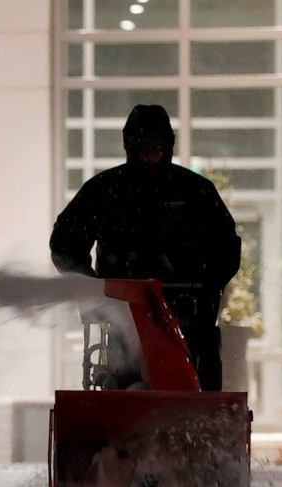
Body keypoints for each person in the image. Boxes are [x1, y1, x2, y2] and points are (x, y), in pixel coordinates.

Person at [50, 104, 241, 391]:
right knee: (125, 386)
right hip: (122, 321)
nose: (150, 157)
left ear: (168, 148)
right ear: (130, 149)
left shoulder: (196, 192)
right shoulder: (105, 191)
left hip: (188, 323)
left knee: (192, 387)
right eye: (143, 150)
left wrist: (204, 287)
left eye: (157, 149)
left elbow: (226, 247)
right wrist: (92, 289)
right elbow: (65, 242)